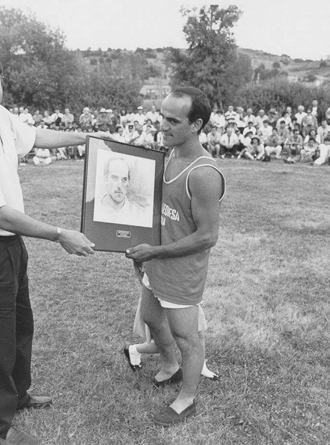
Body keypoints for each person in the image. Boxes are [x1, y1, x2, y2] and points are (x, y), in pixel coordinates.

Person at [0, 40, 100, 445]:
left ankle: (18, 395)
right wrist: (60, 234)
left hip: (7, 246)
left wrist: (86, 138)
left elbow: (33, 136)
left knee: (19, 326)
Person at [125, 86, 225, 427]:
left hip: (182, 271)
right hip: (156, 262)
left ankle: (187, 398)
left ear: (196, 125)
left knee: (187, 337)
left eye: (172, 120)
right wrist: (144, 247)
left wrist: (156, 250)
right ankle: (169, 365)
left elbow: (208, 236)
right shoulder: (169, 155)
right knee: (153, 320)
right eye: (161, 117)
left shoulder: (203, 174)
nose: (162, 126)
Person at [93, 157, 149, 226]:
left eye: (124, 179)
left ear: (128, 182)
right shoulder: (93, 209)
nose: (119, 185)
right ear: (106, 179)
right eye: (114, 178)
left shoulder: (139, 214)